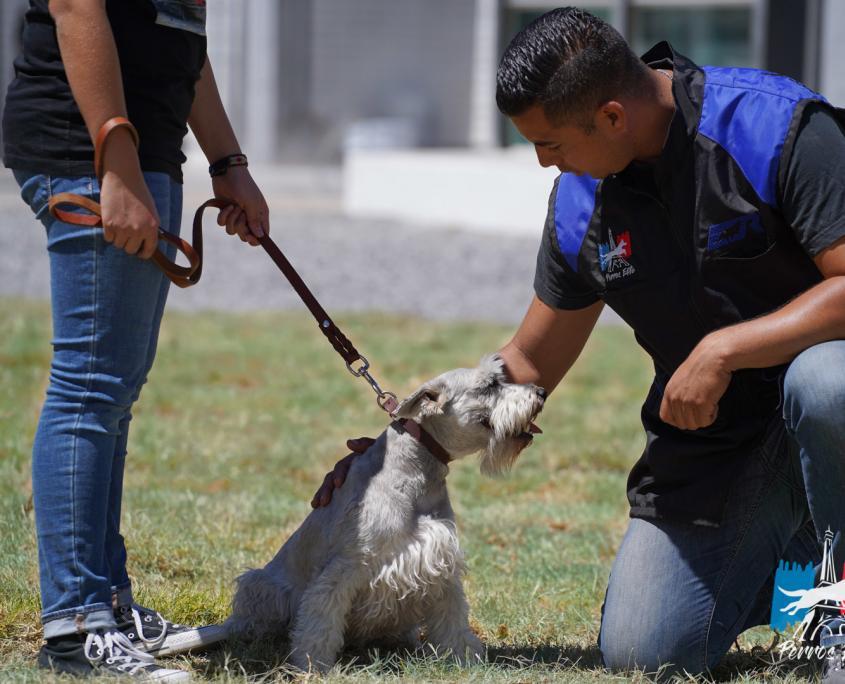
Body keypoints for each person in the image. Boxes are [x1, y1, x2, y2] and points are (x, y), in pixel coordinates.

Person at [314, 7, 845, 681]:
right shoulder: (579, 199)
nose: (543, 163)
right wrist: (401, 444)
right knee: (645, 651)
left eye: (551, 144)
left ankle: (839, 610)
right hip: (719, 445)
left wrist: (723, 350)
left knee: (827, 382)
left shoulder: (775, 127)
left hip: (827, 402)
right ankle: (799, 551)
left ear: (613, 117)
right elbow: (530, 363)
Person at [3, 0, 268, 678]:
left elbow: (182, 33)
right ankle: (76, 626)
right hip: (91, 151)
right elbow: (73, 6)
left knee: (113, 388)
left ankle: (109, 605)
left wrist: (226, 158)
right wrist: (113, 162)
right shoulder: (107, 156)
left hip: (146, 151)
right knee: (89, 386)